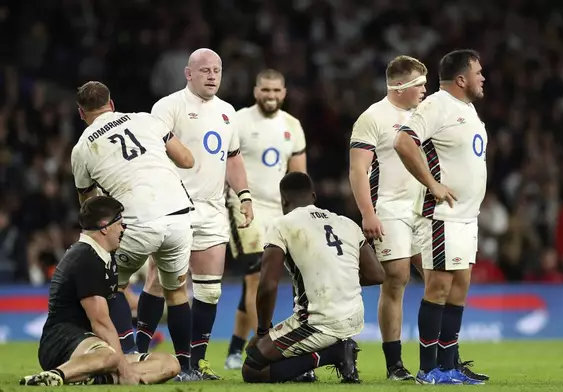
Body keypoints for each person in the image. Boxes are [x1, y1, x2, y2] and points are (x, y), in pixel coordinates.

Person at [135, 48, 254, 381]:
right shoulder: (168, 106)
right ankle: (138, 353)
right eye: (205, 70)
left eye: (217, 70)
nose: (212, 75)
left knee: (209, 290)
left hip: (213, 210)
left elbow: (233, 159)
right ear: (189, 74)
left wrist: (244, 196)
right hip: (174, 208)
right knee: (159, 281)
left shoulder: (228, 112)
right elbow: (151, 153)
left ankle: (196, 363)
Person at [69, 81, 196, 380]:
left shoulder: (83, 148)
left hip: (136, 222)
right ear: (111, 104)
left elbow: (92, 208)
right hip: (178, 213)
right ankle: (187, 369)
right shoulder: (146, 119)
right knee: (176, 292)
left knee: (112, 287)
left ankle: (128, 356)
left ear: (80, 113)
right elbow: (187, 160)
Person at [393, 49, 489, 385]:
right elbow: (403, 141)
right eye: (478, 72)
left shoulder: (468, 109)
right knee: (439, 287)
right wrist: (432, 183)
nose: (483, 77)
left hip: (466, 216)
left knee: (459, 288)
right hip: (442, 216)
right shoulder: (436, 104)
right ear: (461, 79)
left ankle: (449, 367)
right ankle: (426, 369)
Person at [241, 172, 385, 384]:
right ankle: (323, 356)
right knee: (286, 346)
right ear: (314, 197)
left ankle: (333, 354)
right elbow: (377, 274)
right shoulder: (346, 222)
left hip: (319, 321)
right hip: (354, 316)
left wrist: (263, 331)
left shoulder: (282, 224)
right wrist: (338, 276)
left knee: (253, 368)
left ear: (284, 200)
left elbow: (268, 285)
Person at [20, 197, 180, 386]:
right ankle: (56, 375)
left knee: (170, 363)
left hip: (94, 345)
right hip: (62, 342)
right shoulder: (86, 259)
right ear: (105, 227)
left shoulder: (106, 257)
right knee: (111, 356)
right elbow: (100, 323)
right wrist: (125, 369)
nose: (123, 229)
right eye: (120, 224)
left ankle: (95, 379)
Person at [223, 69, 308, 375]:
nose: (271, 96)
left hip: (279, 215)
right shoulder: (239, 120)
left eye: (276, 90)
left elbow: (298, 178)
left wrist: (300, 217)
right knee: (256, 279)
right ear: (255, 90)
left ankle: (238, 348)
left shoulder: (292, 127)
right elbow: (226, 164)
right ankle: (255, 347)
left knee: (272, 282)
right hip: (246, 209)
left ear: (284, 92)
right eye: (265, 90)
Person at [349, 55, 427, 381]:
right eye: (419, 84)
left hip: (426, 209)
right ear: (398, 86)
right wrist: (368, 212)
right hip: (391, 208)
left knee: (442, 281)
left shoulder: (427, 116)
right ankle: (394, 365)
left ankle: (443, 359)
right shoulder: (373, 117)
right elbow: (358, 169)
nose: (425, 90)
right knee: (396, 279)